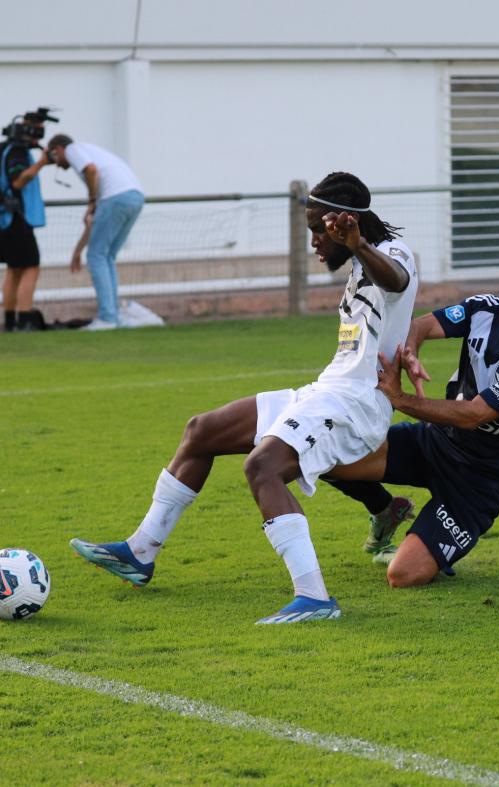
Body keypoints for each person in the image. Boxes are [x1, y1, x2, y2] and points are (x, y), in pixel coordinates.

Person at [70, 172, 418, 623]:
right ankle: (140, 552)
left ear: (344, 223)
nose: (313, 240)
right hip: (325, 391)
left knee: (262, 466)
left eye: (317, 228)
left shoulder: (390, 253)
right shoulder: (358, 265)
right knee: (202, 431)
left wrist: (358, 245)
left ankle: (314, 598)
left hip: (356, 406)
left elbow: (397, 281)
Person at [324, 243, 499, 588]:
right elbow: (422, 325)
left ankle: (436, 544)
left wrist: (399, 398)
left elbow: (474, 415)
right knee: (325, 455)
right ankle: (386, 510)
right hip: (434, 442)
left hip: (479, 480)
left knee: (402, 575)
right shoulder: (485, 308)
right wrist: (410, 352)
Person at [45, 134, 144, 331]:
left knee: (98, 256)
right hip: (135, 196)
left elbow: (90, 169)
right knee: (106, 256)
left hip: (115, 197)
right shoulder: (92, 151)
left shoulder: (73, 150)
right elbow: (92, 223)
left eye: (54, 157)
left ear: (58, 149)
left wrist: (91, 200)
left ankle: (107, 318)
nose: (56, 164)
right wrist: (77, 251)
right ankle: (114, 315)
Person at [0, 111, 51, 332]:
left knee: (14, 269)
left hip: (7, 219)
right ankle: (24, 319)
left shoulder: (10, 150)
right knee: (30, 267)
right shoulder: (17, 152)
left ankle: (10, 322)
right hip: (16, 219)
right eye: (36, 131)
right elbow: (18, 181)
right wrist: (42, 163)